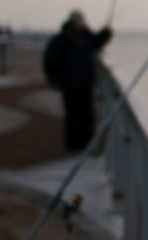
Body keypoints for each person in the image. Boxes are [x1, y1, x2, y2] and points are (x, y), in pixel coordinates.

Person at [44, 10, 113, 151]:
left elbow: (98, 42)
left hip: (86, 83)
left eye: (80, 23)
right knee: (72, 116)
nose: (79, 26)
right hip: (69, 84)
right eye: (76, 24)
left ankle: (87, 145)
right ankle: (73, 145)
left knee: (87, 116)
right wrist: (54, 79)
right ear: (70, 23)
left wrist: (107, 33)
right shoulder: (59, 41)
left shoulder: (88, 37)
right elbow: (50, 62)